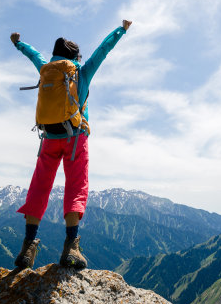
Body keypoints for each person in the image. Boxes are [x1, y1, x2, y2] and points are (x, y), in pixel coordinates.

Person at [10, 19, 132, 269]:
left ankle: (27, 248)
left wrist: (18, 43)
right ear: (76, 56)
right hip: (76, 138)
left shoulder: (46, 68)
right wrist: (121, 30)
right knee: (76, 186)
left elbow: (33, 54)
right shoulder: (81, 72)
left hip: (49, 138)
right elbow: (103, 50)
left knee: (40, 186)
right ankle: (71, 247)